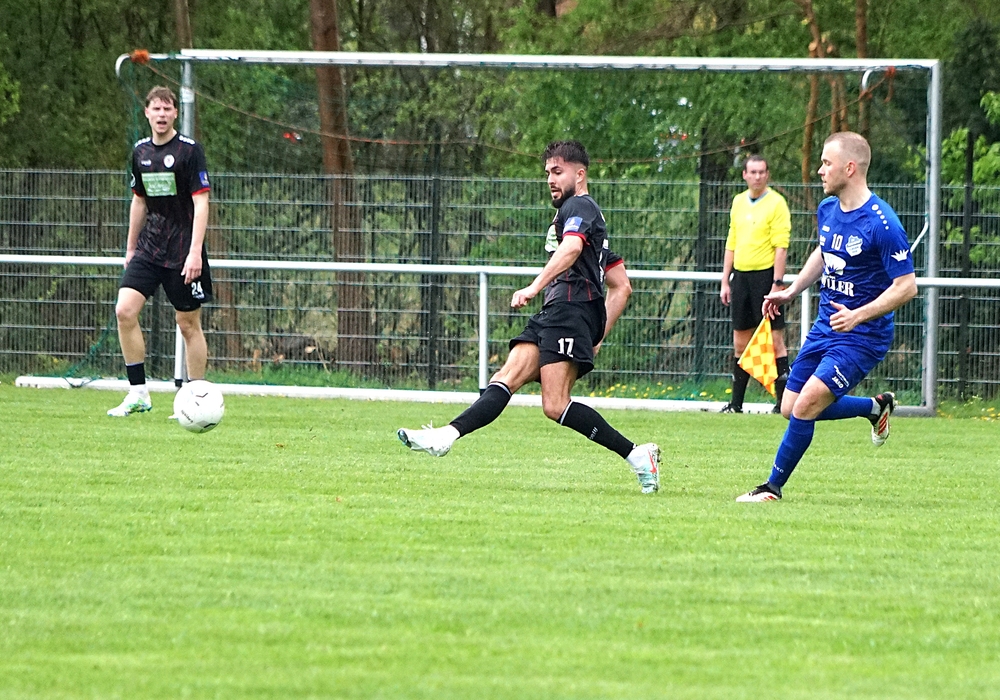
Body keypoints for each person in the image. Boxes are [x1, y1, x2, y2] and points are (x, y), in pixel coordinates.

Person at [397, 140, 661, 493]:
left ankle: (637, 456)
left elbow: (572, 248)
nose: (550, 179)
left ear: (580, 174)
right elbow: (621, 286)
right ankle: (446, 435)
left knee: (555, 405)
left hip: (569, 311)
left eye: (558, 171)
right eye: (548, 172)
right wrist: (597, 333)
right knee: (505, 378)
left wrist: (534, 287)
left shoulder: (580, 206)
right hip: (557, 312)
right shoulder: (584, 220)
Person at [736, 132, 917, 502]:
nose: (819, 170)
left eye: (826, 163)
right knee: (790, 408)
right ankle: (875, 407)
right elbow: (823, 252)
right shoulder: (828, 209)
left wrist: (859, 315)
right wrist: (790, 290)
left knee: (805, 406)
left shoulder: (882, 223)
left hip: (863, 335)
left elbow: (906, 286)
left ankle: (771, 488)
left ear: (849, 169)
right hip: (826, 327)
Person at [107, 86, 212, 417]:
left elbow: (201, 203)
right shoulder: (140, 152)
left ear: (175, 113)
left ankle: (196, 400)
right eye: (156, 108)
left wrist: (195, 253)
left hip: (183, 249)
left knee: (187, 323)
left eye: (168, 108)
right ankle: (138, 392)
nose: (162, 114)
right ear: (147, 113)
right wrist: (130, 248)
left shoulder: (189, 151)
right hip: (150, 248)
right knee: (124, 310)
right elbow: (138, 201)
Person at [719, 155, 791, 413]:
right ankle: (736, 404)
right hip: (741, 278)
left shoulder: (777, 203)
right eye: (753, 172)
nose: (757, 176)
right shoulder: (738, 202)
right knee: (741, 342)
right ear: (745, 175)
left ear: (767, 174)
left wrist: (777, 284)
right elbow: (732, 241)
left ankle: (783, 403)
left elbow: (781, 246)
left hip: (765, 278)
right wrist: (725, 280)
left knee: (774, 340)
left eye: (762, 172)